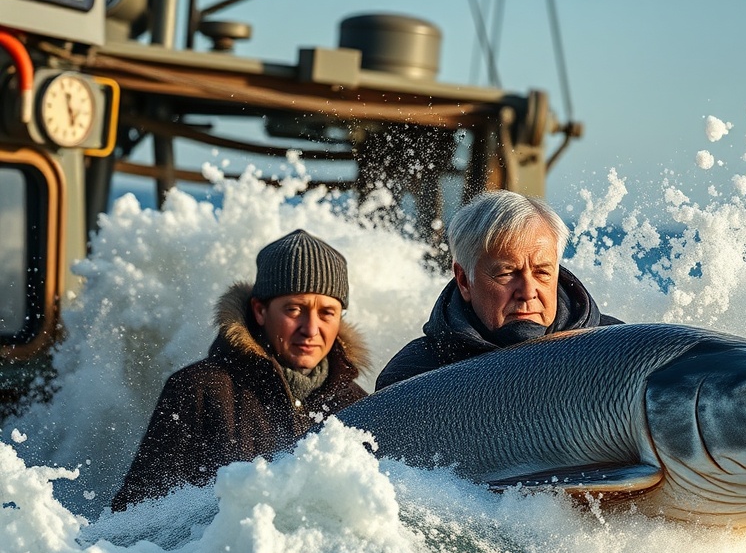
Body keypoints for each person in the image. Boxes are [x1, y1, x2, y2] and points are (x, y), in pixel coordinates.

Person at [112, 229, 369, 510]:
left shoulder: (357, 404)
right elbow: (134, 517)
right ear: (260, 311)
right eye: (294, 309)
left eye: (326, 313)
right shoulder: (197, 389)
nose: (310, 329)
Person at [375, 190, 621, 390]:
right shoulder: (413, 377)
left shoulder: (617, 352)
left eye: (542, 272)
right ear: (463, 280)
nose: (527, 292)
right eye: (506, 273)